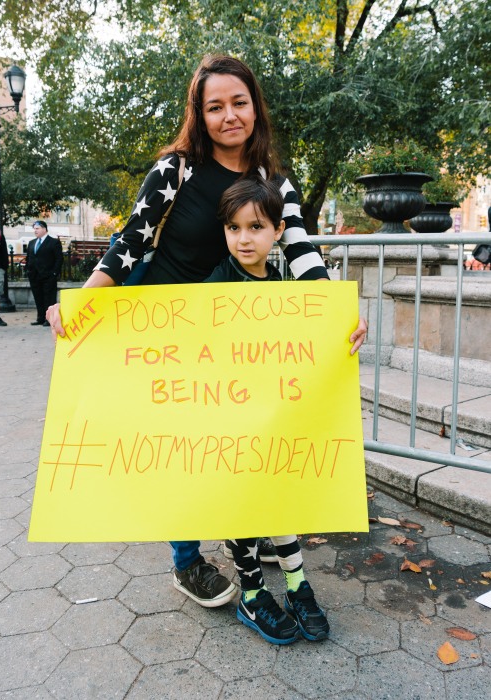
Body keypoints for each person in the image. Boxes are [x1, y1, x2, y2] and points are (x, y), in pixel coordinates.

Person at [47, 54, 367, 609]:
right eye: (214, 106)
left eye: (238, 103)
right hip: (166, 331)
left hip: (234, 336)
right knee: (182, 448)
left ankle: (249, 521)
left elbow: (300, 250)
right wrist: (82, 300)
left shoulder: (274, 182)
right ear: (200, 114)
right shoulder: (176, 169)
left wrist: (335, 314)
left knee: (236, 440)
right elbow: (132, 240)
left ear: (254, 107)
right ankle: (186, 562)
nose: (228, 116)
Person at [202, 175, 330, 644]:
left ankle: (297, 584)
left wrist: (343, 334)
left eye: (255, 227)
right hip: (231, 423)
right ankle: (254, 593)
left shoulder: (283, 285)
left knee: (279, 500)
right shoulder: (217, 281)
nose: (244, 238)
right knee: (243, 507)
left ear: (278, 230)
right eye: (234, 229)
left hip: (272, 421)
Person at [25, 221, 63, 327]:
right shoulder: (32, 243)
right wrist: (28, 270)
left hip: (48, 275)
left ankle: (49, 319)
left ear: (44, 229)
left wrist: (54, 273)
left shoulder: (53, 242)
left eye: (37, 228)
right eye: (34, 229)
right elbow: (29, 258)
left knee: (49, 298)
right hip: (34, 275)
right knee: (38, 297)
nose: (35, 231)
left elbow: (59, 259)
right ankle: (40, 318)